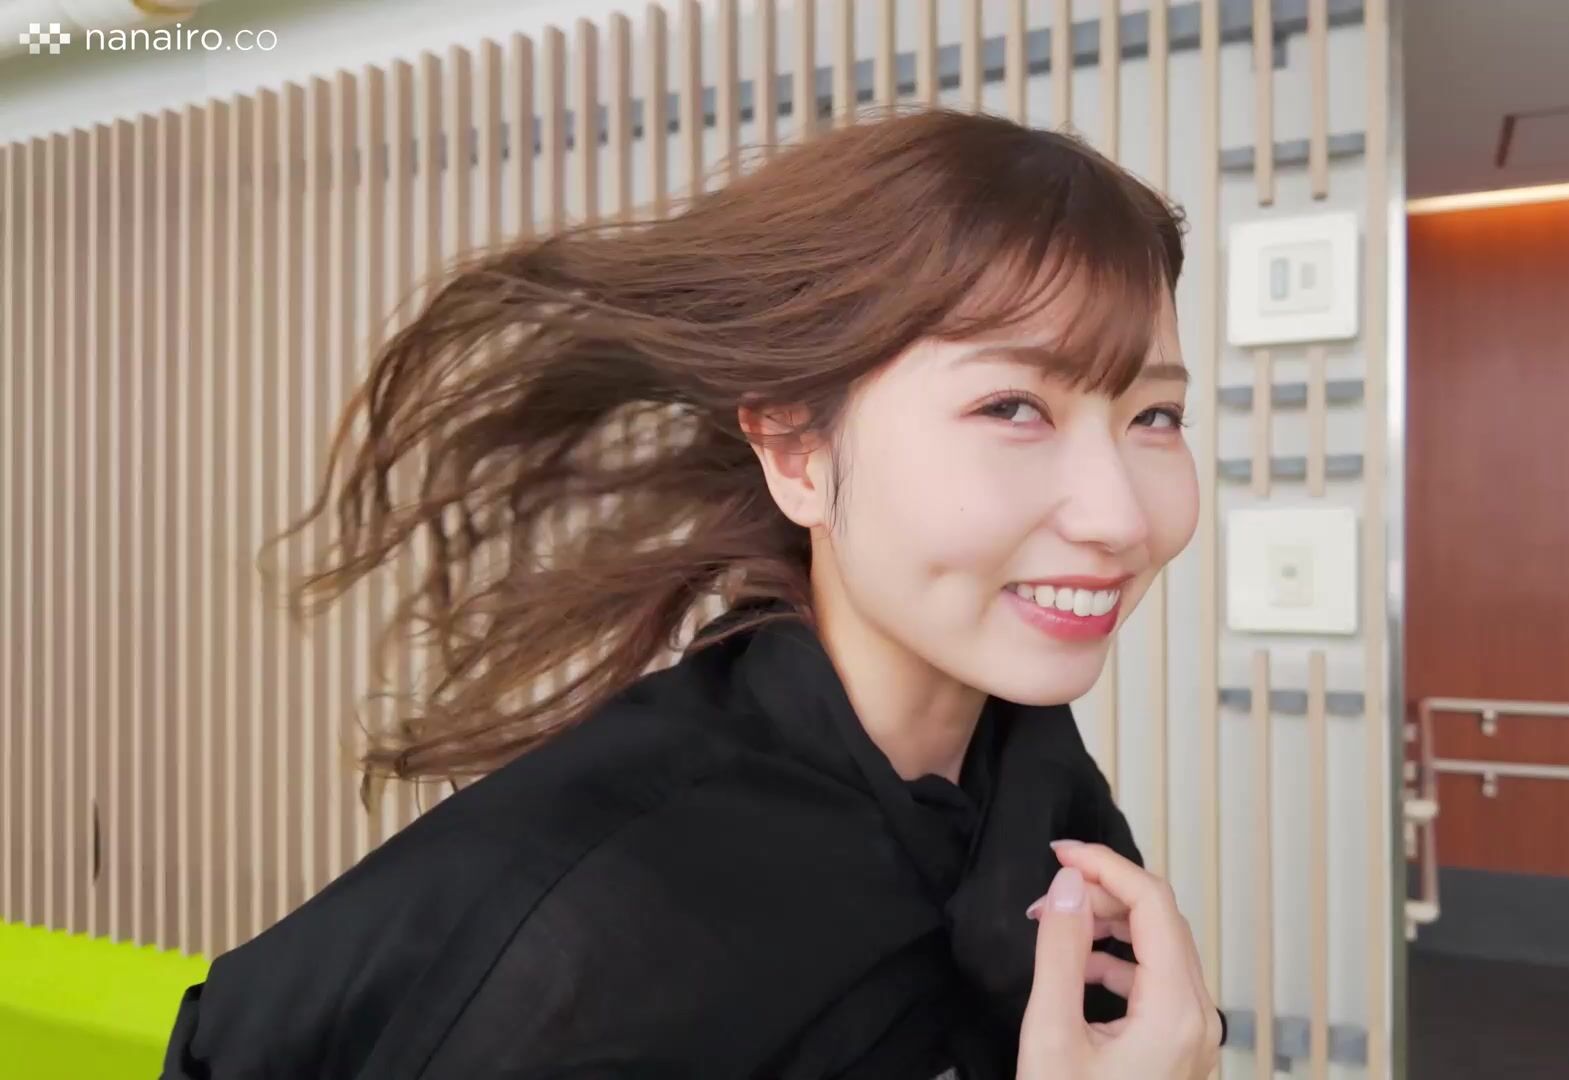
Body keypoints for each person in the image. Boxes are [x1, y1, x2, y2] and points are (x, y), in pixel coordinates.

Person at [160, 105, 1222, 1079]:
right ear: (797, 453)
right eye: (1013, 408)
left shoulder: (1031, 789)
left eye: (1155, 417)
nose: (1118, 517)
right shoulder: (598, 928)